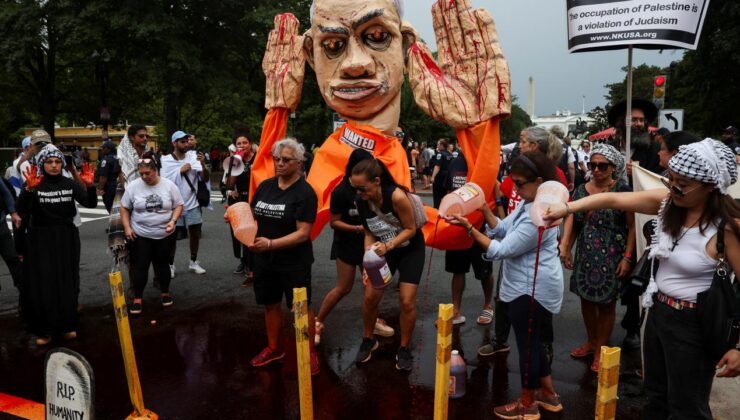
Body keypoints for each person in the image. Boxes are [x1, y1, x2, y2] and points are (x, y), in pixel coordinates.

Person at [544, 138, 740, 419]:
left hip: (694, 324)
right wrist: (568, 209)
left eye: (682, 184)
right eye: (670, 180)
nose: (673, 188)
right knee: (656, 397)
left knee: (687, 406)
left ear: (712, 187)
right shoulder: (668, 204)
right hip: (658, 314)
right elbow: (612, 199)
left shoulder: (727, 229)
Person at [449, 151, 564, 419]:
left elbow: (502, 248)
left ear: (538, 181)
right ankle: (549, 395)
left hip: (531, 289)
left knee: (527, 348)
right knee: (531, 342)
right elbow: (502, 228)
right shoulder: (528, 204)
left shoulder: (542, 213)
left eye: (520, 183)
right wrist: (485, 209)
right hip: (524, 285)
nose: (516, 188)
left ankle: (528, 404)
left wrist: (469, 229)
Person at [559, 144, 635, 372]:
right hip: (586, 254)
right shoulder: (582, 189)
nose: (597, 170)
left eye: (602, 166)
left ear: (613, 167)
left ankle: (601, 348)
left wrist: (628, 257)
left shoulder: (623, 190)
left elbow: (632, 227)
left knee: (606, 303)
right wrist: (567, 248)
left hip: (612, 256)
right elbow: (575, 222)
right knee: (586, 300)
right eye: (593, 165)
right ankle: (591, 341)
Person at [248, 138, 320, 375]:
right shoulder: (266, 186)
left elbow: (303, 233)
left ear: (299, 163)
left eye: (286, 160)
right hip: (264, 260)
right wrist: (238, 219)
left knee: (300, 307)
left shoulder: (305, 193)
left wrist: (271, 244)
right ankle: (273, 348)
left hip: (294, 261)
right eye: (276, 159)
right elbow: (253, 215)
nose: (279, 163)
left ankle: (308, 352)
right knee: (270, 304)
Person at [17, 144, 98, 345]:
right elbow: (22, 211)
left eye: (57, 162)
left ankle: (68, 325)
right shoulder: (35, 183)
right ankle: (44, 330)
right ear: (41, 163)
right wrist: (27, 190)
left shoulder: (69, 183)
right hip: (40, 238)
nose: (53, 165)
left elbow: (90, 204)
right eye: (49, 162)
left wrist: (90, 186)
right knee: (43, 283)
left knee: (67, 281)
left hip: (66, 236)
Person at [351, 158, 426, 371]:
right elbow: (368, 231)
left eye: (362, 188)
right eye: (355, 188)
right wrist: (368, 259)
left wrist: (389, 245)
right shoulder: (361, 200)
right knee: (370, 297)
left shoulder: (396, 196)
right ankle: (368, 339)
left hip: (409, 248)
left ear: (376, 181)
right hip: (383, 250)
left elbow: (411, 229)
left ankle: (404, 348)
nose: (358, 193)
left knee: (407, 301)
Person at [314, 149, 394, 345]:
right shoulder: (341, 191)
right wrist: (358, 227)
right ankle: (317, 322)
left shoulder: (373, 186)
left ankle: (373, 321)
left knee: (374, 285)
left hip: (369, 244)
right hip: (347, 245)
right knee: (343, 287)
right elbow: (334, 222)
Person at [120, 152, 183, 315]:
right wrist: (127, 228)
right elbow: (124, 207)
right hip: (140, 233)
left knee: (162, 264)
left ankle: (165, 292)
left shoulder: (169, 185)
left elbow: (178, 205)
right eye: (141, 174)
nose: (145, 177)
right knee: (140, 266)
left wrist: (173, 220)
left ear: (156, 170)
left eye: (148, 173)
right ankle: (138, 298)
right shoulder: (134, 186)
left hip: (164, 233)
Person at [443, 151, 495, 326]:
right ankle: (456, 310)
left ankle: (488, 305)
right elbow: (449, 191)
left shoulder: (486, 164)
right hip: (457, 226)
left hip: (479, 227)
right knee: (457, 270)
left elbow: (495, 195)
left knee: (484, 271)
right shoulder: (455, 163)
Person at [161, 130, 209, 276]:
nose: (186, 144)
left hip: (192, 202)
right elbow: (164, 182)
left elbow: (205, 178)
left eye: (187, 141)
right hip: (174, 205)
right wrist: (180, 171)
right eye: (182, 141)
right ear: (174, 143)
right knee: (173, 235)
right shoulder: (166, 160)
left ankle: (193, 262)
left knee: (195, 233)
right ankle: (170, 264)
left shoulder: (193, 157)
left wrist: (202, 164)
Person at [224, 126, 256, 284]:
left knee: (253, 233)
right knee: (238, 233)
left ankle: (252, 266)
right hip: (239, 201)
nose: (242, 146)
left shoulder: (258, 158)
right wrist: (236, 162)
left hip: (255, 200)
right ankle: (242, 261)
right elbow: (229, 185)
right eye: (239, 143)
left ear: (250, 143)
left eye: (245, 142)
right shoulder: (234, 161)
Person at [607, 99, 662, 176]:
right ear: (621, 122)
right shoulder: (610, 148)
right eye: (634, 119)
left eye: (641, 120)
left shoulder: (654, 150)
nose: (639, 124)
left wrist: (638, 174)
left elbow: (659, 179)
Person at [0, 175, 22, 290]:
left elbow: (5, 192)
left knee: (12, 258)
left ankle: (25, 294)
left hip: (1, 225)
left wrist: (13, 213)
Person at [96, 140, 120, 213]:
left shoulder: (106, 160)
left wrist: (100, 188)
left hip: (109, 186)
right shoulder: (118, 158)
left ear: (108, 149)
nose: (102, 149)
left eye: (103, 148)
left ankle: (115, 223)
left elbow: (103, 176)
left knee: (110, 208)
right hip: (119, 185)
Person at [430, 138, 453, 208]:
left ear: (441, 145)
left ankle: (436, 211)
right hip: (448, 177)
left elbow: (437, 166)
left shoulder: (439, 154)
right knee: (446, 196)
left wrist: (433, 177)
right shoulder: (450, 154)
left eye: (438, 144)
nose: (437, 146)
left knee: (437, 197)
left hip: (440, 177)